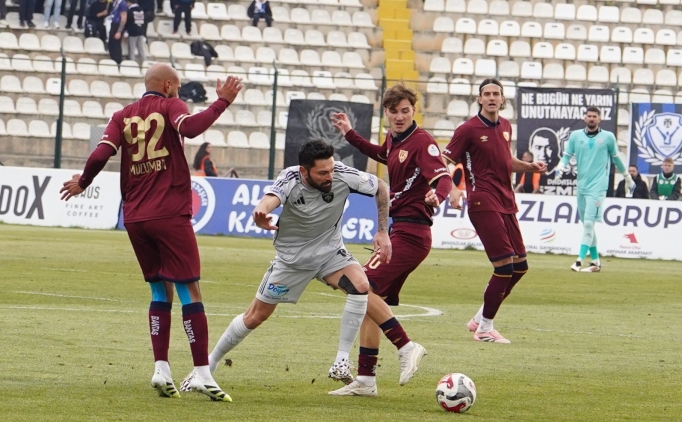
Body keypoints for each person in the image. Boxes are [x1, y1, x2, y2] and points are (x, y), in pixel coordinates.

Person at [60, 63, 244, 401]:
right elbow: (191, 128)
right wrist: (222, 102)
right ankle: (202, 373)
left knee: (160, 291)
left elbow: (101, 153)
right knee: (190, 289)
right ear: (169, 85)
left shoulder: (122, 116)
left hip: (135, 217)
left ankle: (161, 368)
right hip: (169, 213)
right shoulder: (171, 105)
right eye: (178, 87)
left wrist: (83, 182)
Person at [179, 140, 393, 397]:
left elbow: (381, 186)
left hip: (330, 254)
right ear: (304, 171)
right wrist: (260, 214)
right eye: (322, 173)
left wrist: (382, 230)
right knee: (254, 316)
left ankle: (341, 360)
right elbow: (269, 200)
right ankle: (206, 367)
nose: (330, 176)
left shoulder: (341, 174)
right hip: (293, 260)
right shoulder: (290, 178)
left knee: (360, 285)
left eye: (331, 169)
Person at [327, 83, 452, 396]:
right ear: (386, 112)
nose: (399, 116)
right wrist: (350, 134)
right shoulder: (395, 139)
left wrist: (437, 196)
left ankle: (406, 346)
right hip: (400, 230)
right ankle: (366, 380)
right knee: (371, 300)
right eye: (394, 111)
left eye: (405, 111)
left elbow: (444, 177)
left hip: (412, 233)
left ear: (413, 111)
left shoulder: (422, 141)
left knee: (358, 286)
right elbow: (380, 153)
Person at [443, 78, 546, 344]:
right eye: (486, 94)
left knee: (520, 267)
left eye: (495, 94)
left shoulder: (505, 126)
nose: (491, 98)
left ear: (502, 100)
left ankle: (479, 318)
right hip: (483, 200)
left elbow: (505, 160)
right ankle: (484, 330)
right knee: (504, 266)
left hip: (506, 200)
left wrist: (529, 167)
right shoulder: (467, 129)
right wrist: (451, 188)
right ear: (479, 99)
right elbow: (443, 160)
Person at [556, 106, 633, 273]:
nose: (591, 118)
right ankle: (596, 261)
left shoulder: (608, 137)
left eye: (594, 116)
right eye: (589, 116)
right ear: (585, 118)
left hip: (598, 187)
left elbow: (616, 159)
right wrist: (560, 167)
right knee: (587, 225)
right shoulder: (576, 136)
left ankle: (579, 261)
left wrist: (627, 177)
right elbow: (567, 156)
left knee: (589, 223)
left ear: (599, 119)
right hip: (582, 186)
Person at [125, 0, 147, 65]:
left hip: (132, 32)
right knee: (141, 50)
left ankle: (132, 64)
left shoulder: (130, 11)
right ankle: (144, 63)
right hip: (140, 32)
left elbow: (128, 22)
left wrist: (126, 32)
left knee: (131, 50)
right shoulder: (141, 9)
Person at [109, 0, 127, 65]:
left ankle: (118, 62)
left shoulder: (122, 3)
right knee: (111, 45)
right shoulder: (115, 2)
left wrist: (119, 31)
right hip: (113, 23)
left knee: (116, 45)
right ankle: (113, 60)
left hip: (118, 25)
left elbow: (124, 18)